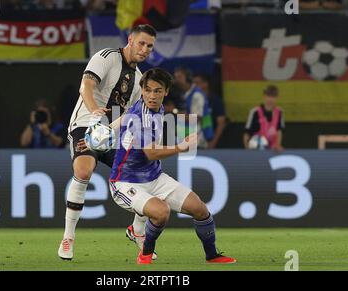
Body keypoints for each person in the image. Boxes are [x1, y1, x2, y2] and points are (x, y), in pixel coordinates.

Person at [108, 68, 236, 264]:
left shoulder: (155, 108)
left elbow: (124, 116)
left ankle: (212, 255)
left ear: (166, 91)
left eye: (157, 91)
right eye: (148, 90)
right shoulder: (141, 117)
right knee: (161, 212)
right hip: (125, 182)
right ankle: (145, 254)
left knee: (200, 209)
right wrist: (181, 146)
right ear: (142, 90)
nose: (152, 95)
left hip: (154, 177)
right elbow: (150, 153)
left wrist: (106, 130)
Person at [59, 24, 157, 261]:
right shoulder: (106, 57)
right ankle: (68, 237)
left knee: (145, 172)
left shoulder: (139, 79)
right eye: (141, 43)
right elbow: (86, 86)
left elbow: (130, 115)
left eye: (150, 46)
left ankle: (137, 230)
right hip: (86, 124)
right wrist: (95, 115)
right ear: (130, 40)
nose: (144, 49)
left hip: (113, 133)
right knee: (83, 170)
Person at [173, 67, 214, 149]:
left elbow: (195, 118)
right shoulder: (184, 94)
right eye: (175, 77)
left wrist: (173, 110)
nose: (177, 80)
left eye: (180, 77)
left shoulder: (197, 95)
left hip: (197, 141)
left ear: (188, 78)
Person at [243, 85, 285, 151]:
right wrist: (247, 148)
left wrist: (278, 145)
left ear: (277, 97)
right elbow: (246, 132)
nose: (270, 99)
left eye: (273, 96)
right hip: (256, 149)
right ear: (264, 96)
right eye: (268, 96)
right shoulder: (254, 112)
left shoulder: (279, 112)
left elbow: (279, 131)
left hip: (273, 150)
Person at [193, 73, 226, 149]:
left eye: (197, 83)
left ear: (206, 84)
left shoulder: (215, 100)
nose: (194, 86)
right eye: (193, 84)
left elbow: (221, 123)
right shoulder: (191, 100)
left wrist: (212, 142)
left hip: (210, 142)